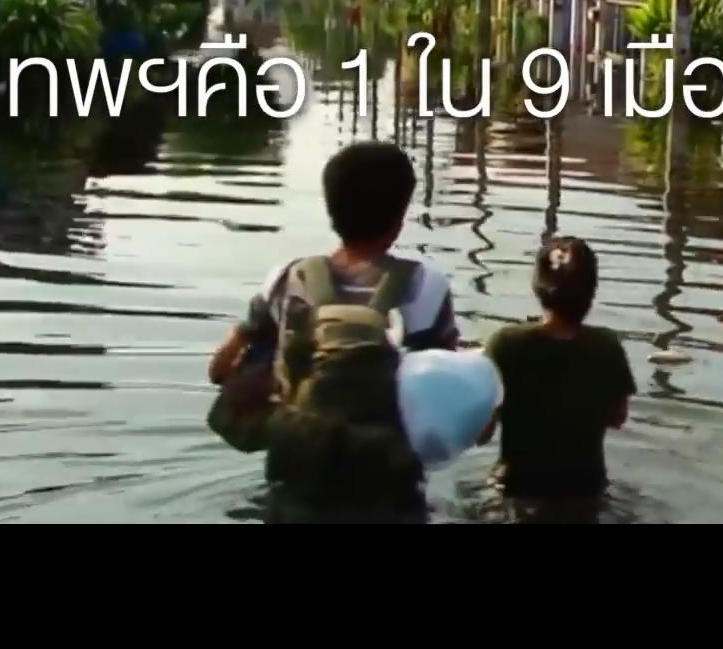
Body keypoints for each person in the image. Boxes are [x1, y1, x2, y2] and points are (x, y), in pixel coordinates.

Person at [207, 141, 459, 519]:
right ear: (400, 214)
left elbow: (221, 373)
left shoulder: (285, 280)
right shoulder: (426, 286)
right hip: (389, 493)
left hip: (297, 483)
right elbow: (444, 407)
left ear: (331, 208)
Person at [479, 237, 635, 505]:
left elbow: (482, 433)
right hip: (586, 491)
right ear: (592, 291)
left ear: (538, 288)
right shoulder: (607, 345)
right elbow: (617, 418)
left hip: (518, 491)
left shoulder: (505, 343)